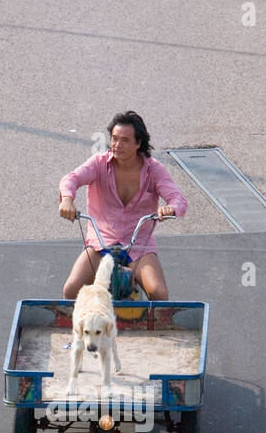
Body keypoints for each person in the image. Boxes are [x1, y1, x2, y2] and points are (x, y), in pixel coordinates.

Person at [58, 111, 187, 300]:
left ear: (138, 143)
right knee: (71, 289)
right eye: (114, 139)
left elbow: (178, 199)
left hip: (138, 245)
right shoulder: (98, 163)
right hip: (100, 243)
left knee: (159, 294)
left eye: (125, 140)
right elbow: (71, 179)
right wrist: (67, 199)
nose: (117, 145)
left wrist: (171, 208)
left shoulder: (155, 170)